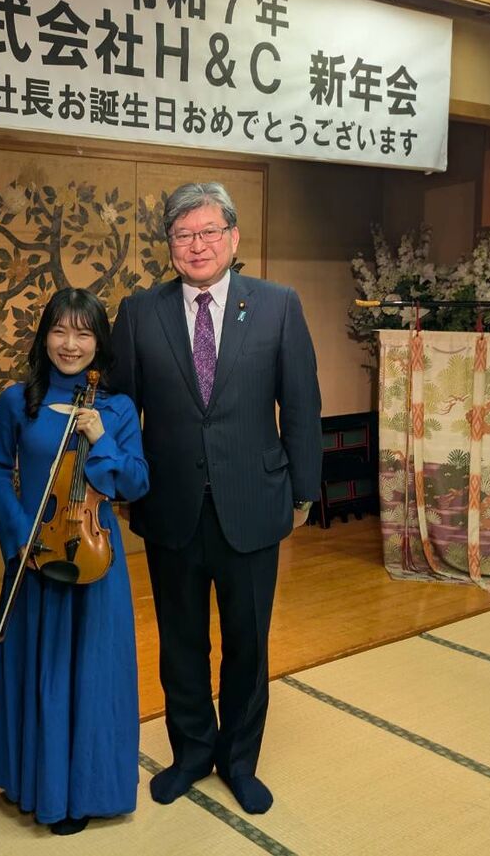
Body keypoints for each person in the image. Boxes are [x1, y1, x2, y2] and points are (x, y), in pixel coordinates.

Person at [111, 182, 322, 816]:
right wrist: (121, 485)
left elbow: (301, 404)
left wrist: (304, 491)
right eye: (183, 234)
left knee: (247, 645)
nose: (197, 245)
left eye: (208, 232)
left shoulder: (278, 305)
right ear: (169, 244)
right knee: (181, 643)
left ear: (233, 238)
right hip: (169, 505)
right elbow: (122, 411)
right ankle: (191, 753)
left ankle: (239, 761)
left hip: (253, 502)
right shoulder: (139, 312)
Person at [0, 288, 149, 836]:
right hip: (33, 554)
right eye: (59, 330)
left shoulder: (116, 409)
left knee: (93, 675)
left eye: (83, 333)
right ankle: (37, 785)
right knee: (40, 671)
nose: (70, 344)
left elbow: (135, 483)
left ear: (99, 343)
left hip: (94, 558)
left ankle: (86, 792)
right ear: (44, 336)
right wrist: (19, 539)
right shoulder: (18, 401)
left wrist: (102, 440)